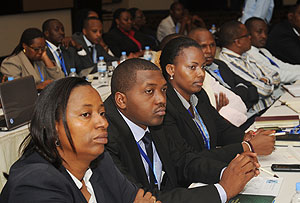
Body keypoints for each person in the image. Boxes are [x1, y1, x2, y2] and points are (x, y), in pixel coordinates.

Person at [105, 58, 261, 203]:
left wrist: (228, 172)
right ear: (121, 100)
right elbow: (140, 197)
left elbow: (183, 161)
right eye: (149, 91)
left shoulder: (152, 118)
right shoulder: (105, 138)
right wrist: (222, 190)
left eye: (164, 90)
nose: (161, 99)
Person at [0, 77, 160, 203]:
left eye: (102, 113)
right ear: (53, 125)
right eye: (86, 114)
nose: (103, 123)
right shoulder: (34, 184)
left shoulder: (101, 162)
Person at [161, 36, 275, 156]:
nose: (201, 73)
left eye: (203, 67)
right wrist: (247, 147)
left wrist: (246, 137)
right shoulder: (164, 107)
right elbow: (187, 159)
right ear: (171, 70)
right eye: (192, 67)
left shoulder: (199, 96)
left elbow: (221, 129)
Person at [188, 28, 259, 127]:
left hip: (246, 117)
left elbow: (253, 91)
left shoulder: (219, 64)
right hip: (228, 126)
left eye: (212, 45)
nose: (209, 51)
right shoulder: (198, 75)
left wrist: (233, 96)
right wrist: (241, 90)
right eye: (203, 46)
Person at [218, 20, 283, 118]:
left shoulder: (245, 55)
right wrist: (265, 81)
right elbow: (263, 90)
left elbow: (276, 75)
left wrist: (266, 80)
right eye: (247, 35)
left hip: (272, 105)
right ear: (238, 42)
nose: (250, 38)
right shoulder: (228, 62)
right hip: (258, 114)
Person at [0, 28, 64, 90]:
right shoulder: (11, 63)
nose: (40, 52)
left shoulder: (41, 59)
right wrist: (37, 87)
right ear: (25, 46)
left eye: (43, 48)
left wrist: (45, 57)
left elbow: (60, 80)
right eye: (36, 49)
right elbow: (15, 89)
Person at [246, 17, 300, 83]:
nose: (264, 36)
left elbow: (283, 66)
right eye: (259, 32)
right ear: (248, 34)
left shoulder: (263, 51)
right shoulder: (250, 55)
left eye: (266, 32)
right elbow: (279, 75)